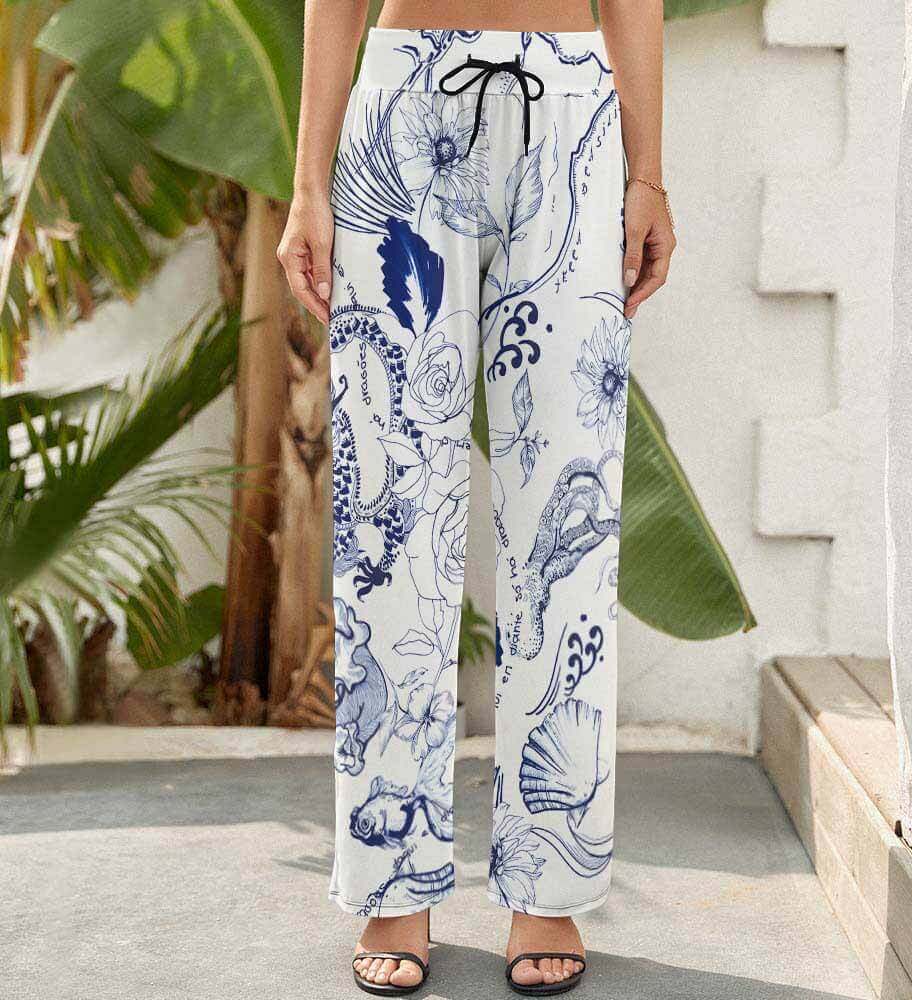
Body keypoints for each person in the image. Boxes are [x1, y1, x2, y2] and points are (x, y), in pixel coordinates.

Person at [278, 0, 675, 994]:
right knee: (393, 515)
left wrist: (647, 174)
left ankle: (549, 881)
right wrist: (309, 184)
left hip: (572, 112)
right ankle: (392, 880)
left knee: (568, 517)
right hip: (403, 101)